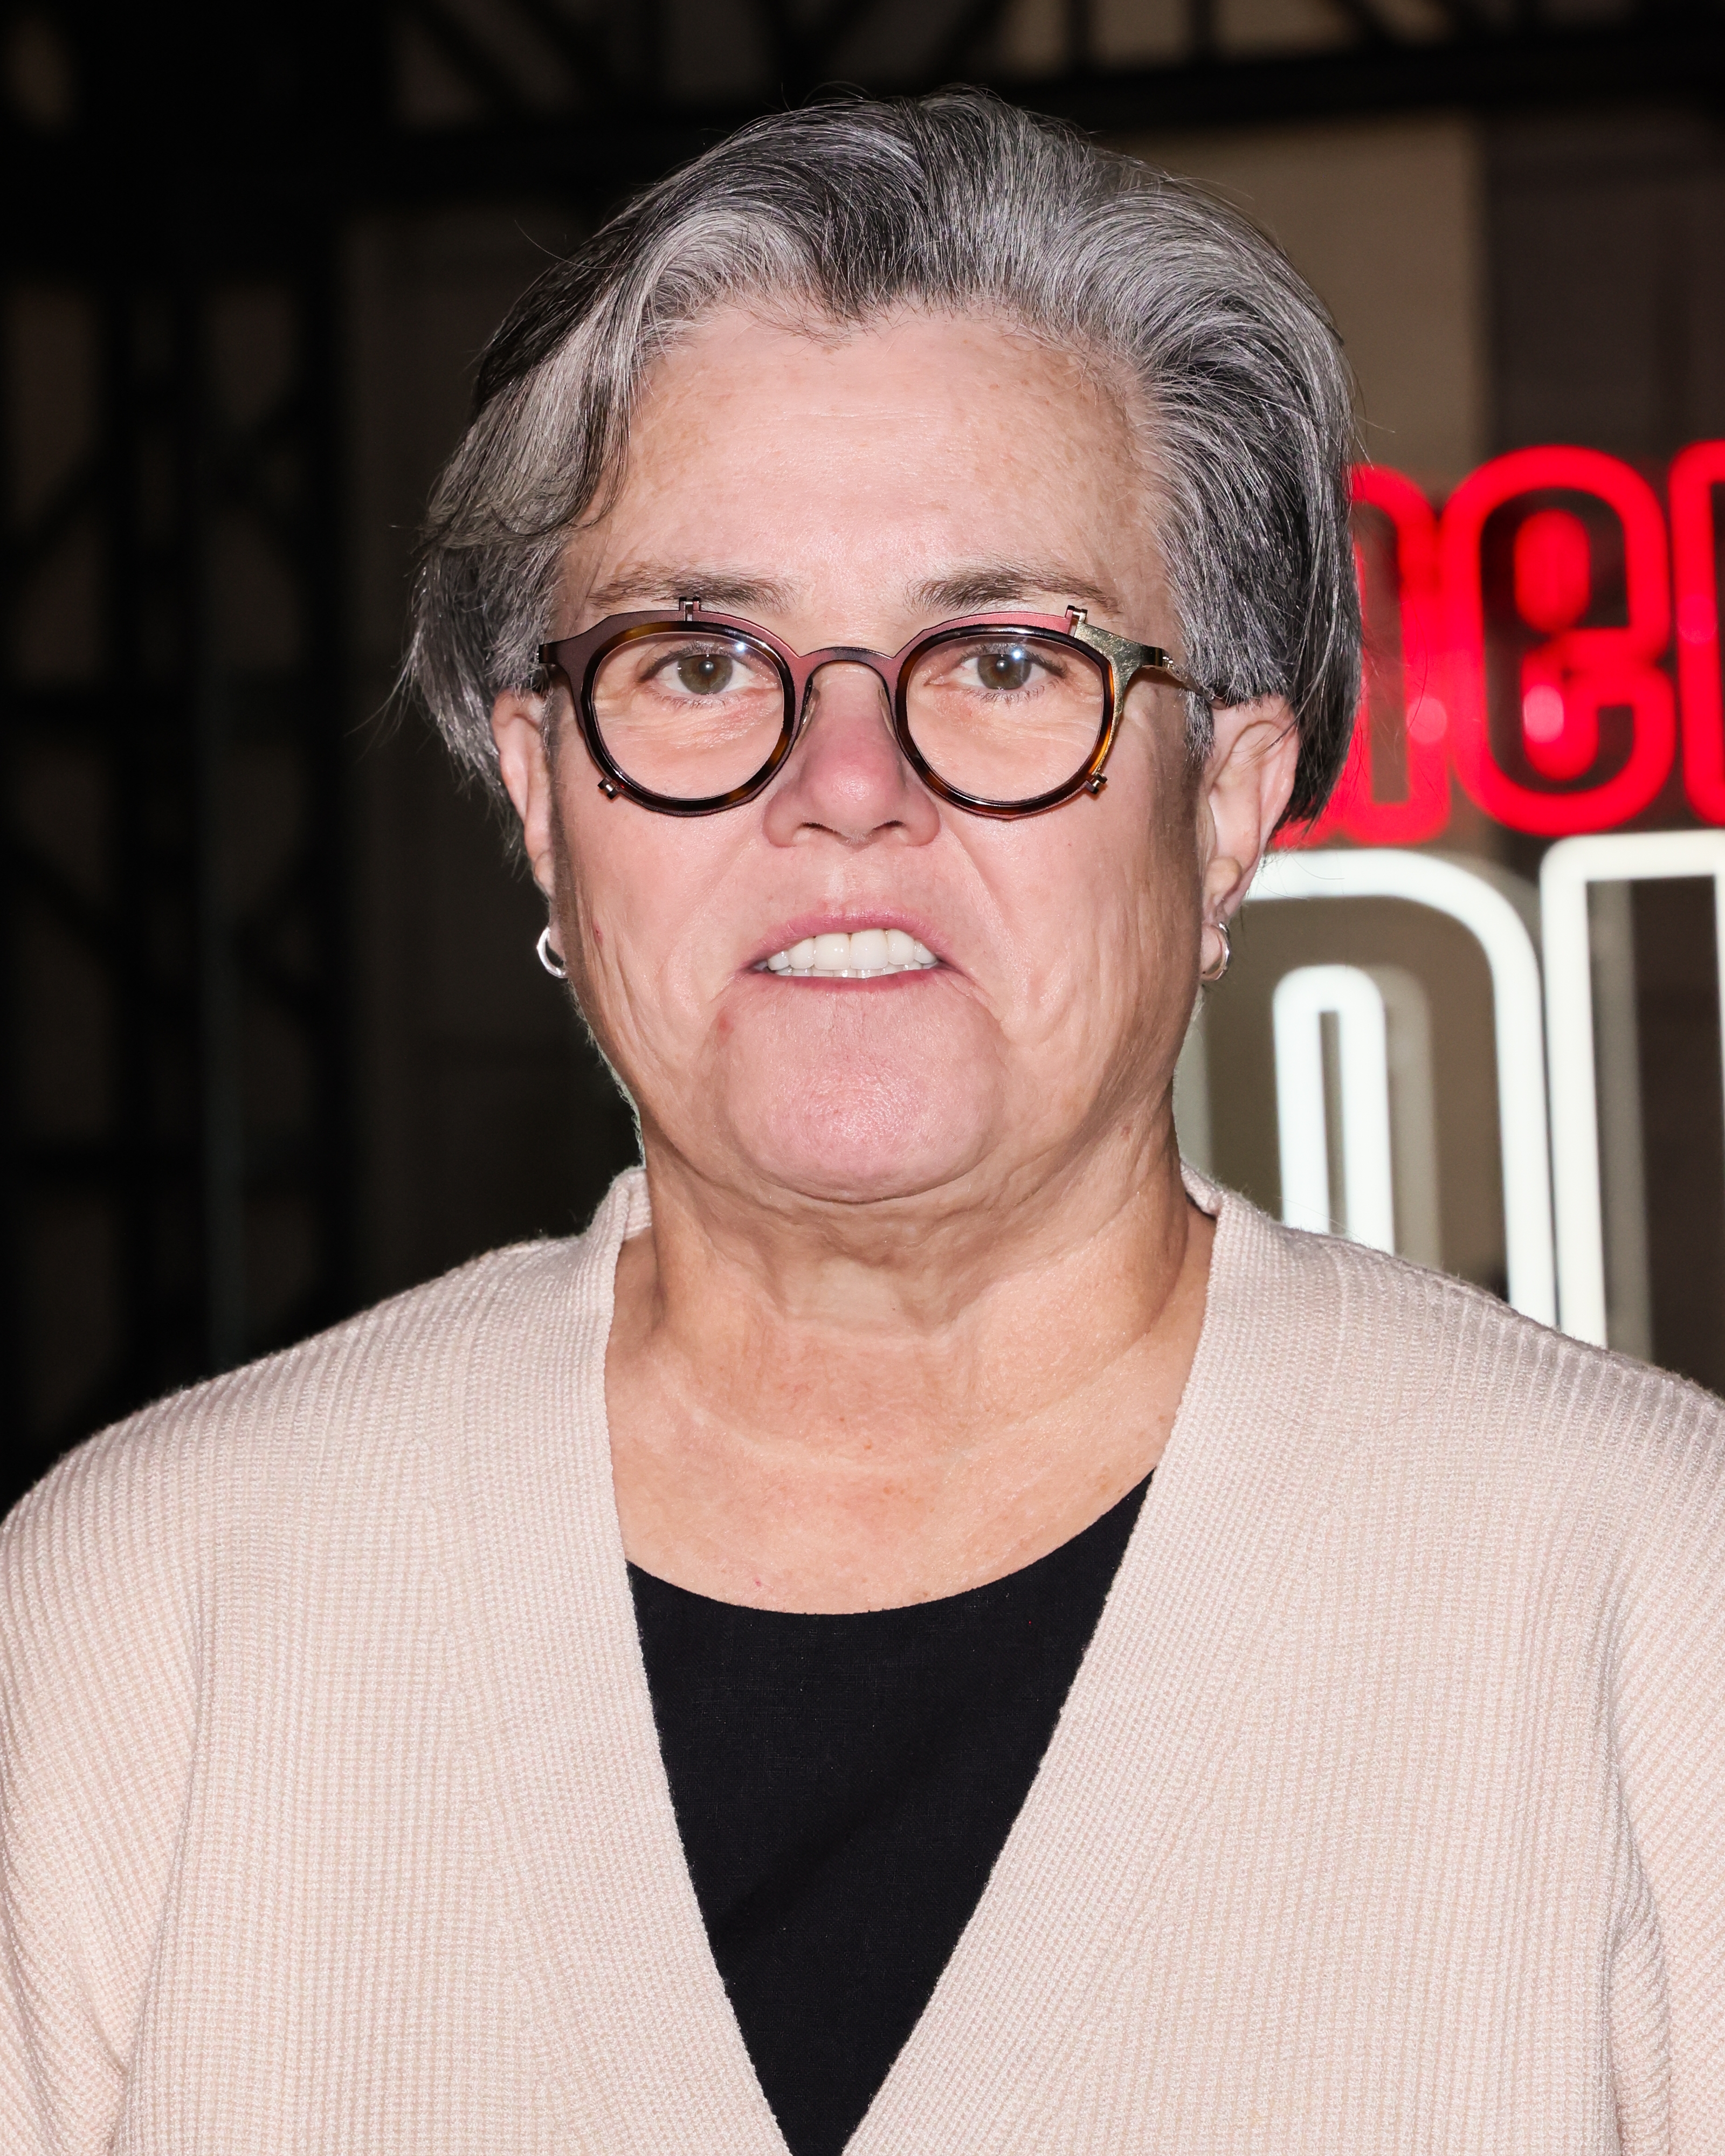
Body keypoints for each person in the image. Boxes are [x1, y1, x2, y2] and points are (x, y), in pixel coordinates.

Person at [2, 91, 1720, 2156]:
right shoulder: (145, 1622)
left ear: (1229, 808)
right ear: (543, 802)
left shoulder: (1649, 1611)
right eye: (700, 662)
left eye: (1000, 660)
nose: (843, 788)